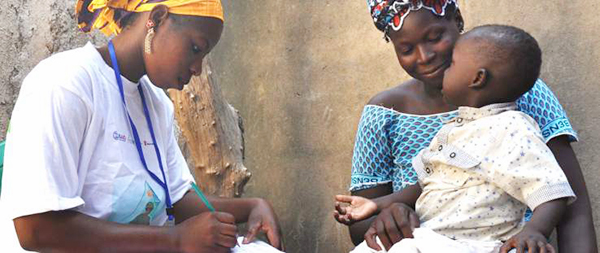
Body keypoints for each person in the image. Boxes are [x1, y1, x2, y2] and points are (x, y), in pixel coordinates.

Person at [0, 1, 283, 252]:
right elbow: (35, 229)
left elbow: (176, 199)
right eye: (195, 48)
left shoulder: (156, 103)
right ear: (157, 19)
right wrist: (176, 241)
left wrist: (253, 206)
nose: (197, 68)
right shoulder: (65, 83)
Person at [337, 0, 597, 252]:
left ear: (458, 21)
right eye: (406, 50)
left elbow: (570, 205)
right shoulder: (383, 113)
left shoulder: (522, 95)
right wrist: (390, 216)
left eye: (435, 36)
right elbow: (360, 222)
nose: (425, 57)